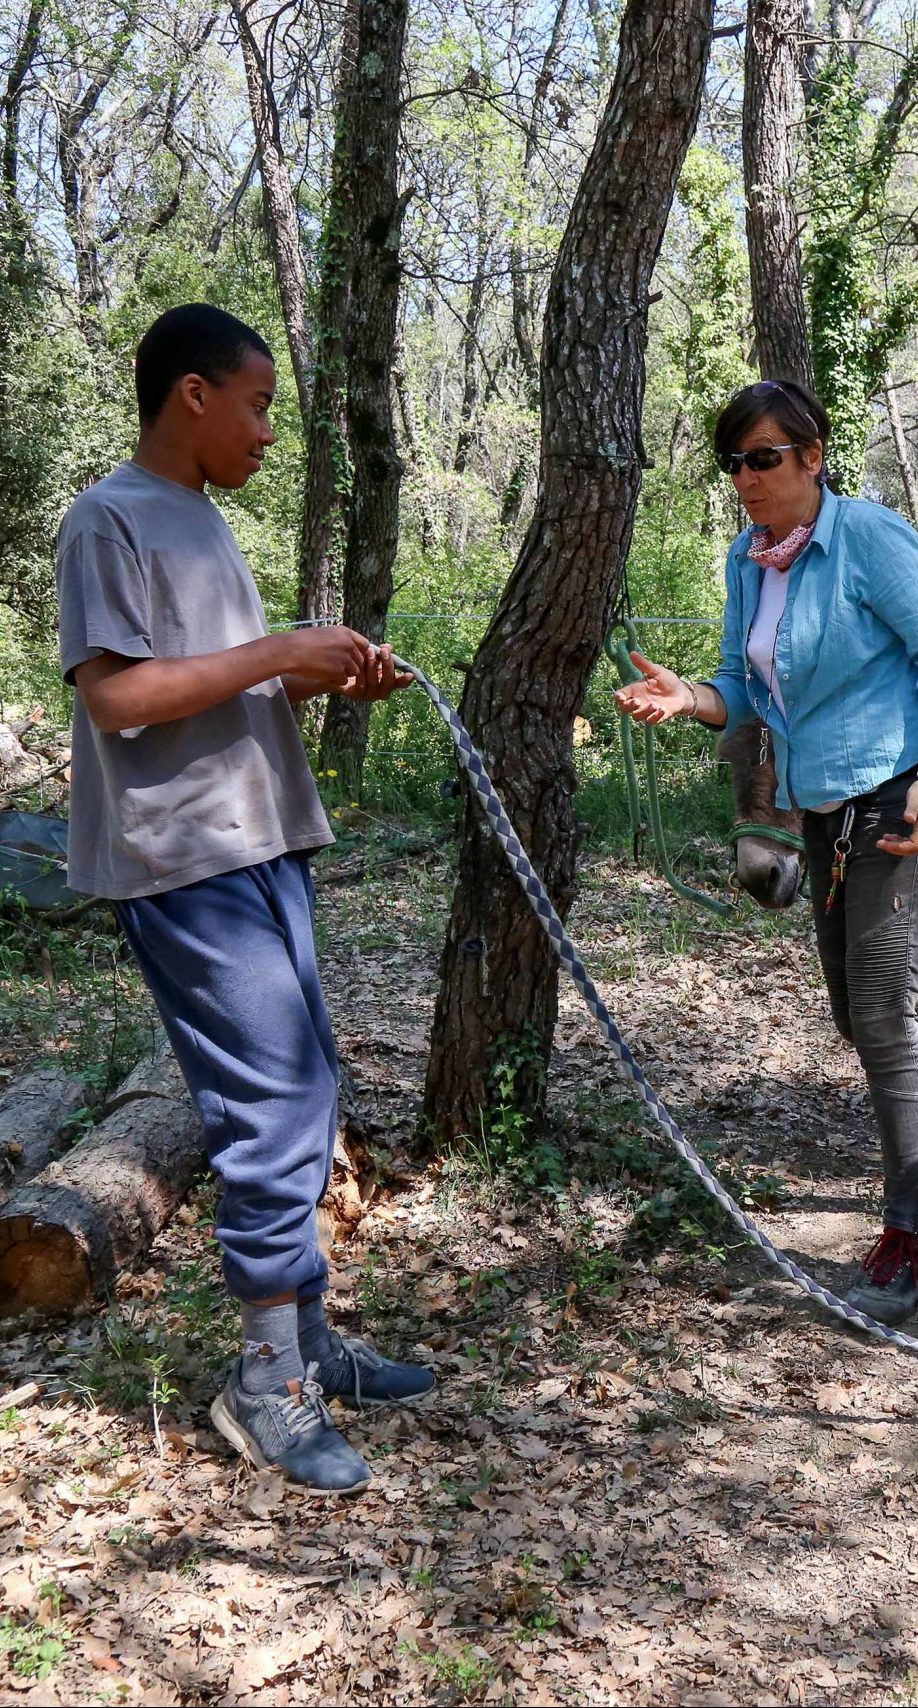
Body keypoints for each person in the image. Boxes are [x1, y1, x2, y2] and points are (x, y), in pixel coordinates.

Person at [57, 303, 433, 1493]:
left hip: (259, 844)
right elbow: (118, 698)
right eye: (259, 403)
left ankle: (308, 1342)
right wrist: (281, 652)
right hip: (183, 861)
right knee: (271, 1103)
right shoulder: (107, 519)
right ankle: (264, 1381)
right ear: (194, 396)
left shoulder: (203, 522)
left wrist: (325, 674)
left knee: (308, 1082)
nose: (269, 430)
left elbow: (209, 686)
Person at [615, 378, 918, 1324]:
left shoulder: (868, 538)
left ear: (812, 456)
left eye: (764, 457)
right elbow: (740, 685)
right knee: (859, 1018)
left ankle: (907, 1228)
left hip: (906, 793)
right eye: (733, 462)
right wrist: (689, 698)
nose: (746, 477)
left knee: (883, 1015)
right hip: (823, 809)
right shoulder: (748, 558)